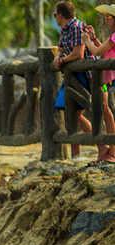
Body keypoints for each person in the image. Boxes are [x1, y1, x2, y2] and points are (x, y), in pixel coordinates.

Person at [53, 1, 98, 159]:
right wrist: (59, 57)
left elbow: (79, 53)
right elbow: (60, 49)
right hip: (70, 75)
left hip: (82, 74)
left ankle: (101, 145)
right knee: (68, 111)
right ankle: (77, 154)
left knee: (76, 112)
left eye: (55, 15)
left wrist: (62, 60)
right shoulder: (64, 30)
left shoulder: (77, 27)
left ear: (60, 14)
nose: (54, 18)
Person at [82, 4, 115, 162]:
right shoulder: (112, 37)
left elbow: (96, 52)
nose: (107, 18)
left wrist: (87, 41)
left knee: (106, 110)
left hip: (108, 80)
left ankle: (112, 149)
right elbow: (103, 49)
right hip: (106, 80)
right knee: (105, 108)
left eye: (110, 16)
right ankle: (110, 148)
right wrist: (94, 39)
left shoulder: (114, 37)